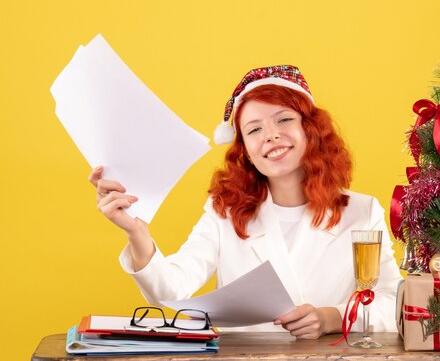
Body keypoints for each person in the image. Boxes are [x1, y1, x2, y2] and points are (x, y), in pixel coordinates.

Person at [88, 65, 402, 339]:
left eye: (283, 120)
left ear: (311, 130)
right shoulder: (223, 211)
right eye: (254, 129)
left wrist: (332, 318)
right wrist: (136, 231)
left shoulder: (362, 211)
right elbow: (170, 291)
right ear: (246, 151)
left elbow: (395, 305)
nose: (271, 135)